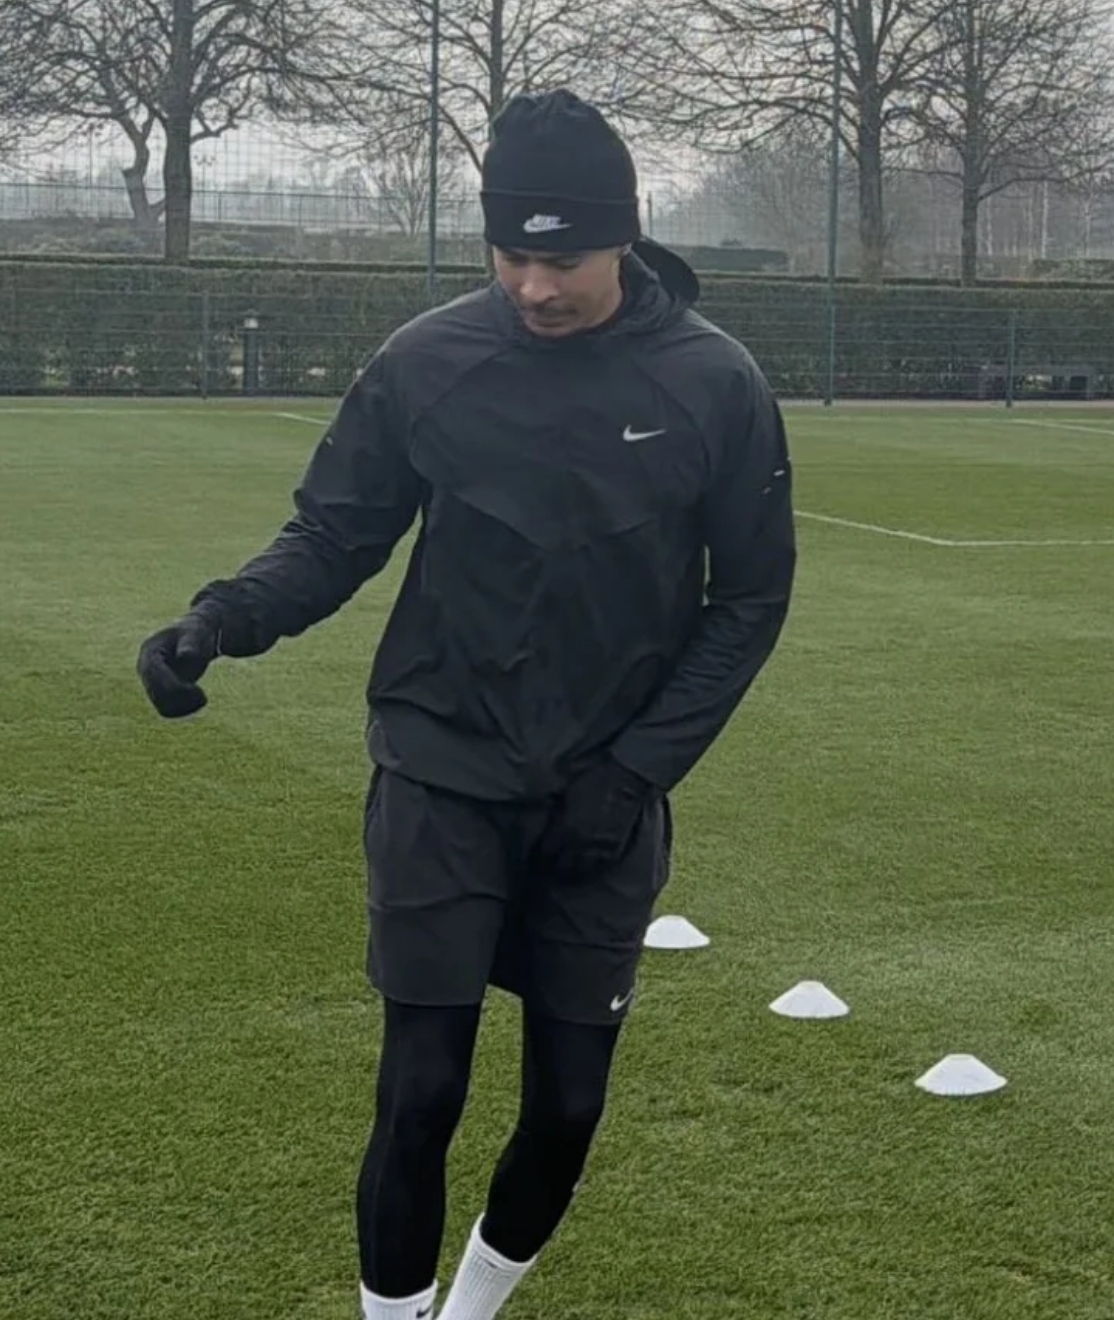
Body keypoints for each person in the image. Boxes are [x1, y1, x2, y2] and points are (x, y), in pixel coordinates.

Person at [134, 89, 797, 1320]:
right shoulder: (427, 361)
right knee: (422, 1088)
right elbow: (334, 534)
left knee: (569, 1105)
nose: (535, 287)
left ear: (624, 236)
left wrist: (637, 770)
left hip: (604, 797)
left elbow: (752, 598)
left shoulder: (715, 381)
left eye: (564, 259)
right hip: (441, 768)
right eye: (510, 255)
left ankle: (472, 1310)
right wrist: (220, 619)